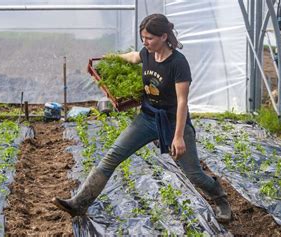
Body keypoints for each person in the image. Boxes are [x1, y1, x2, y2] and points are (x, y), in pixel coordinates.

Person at [53, 13, 232, 223]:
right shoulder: (147, 53)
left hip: (174, 122)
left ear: (164, 36)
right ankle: (79, 203)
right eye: (143, 38)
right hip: (147, 118)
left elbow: (182, 102)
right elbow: (131, 57)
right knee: (112, 156)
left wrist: (178, 137)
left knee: (194, 174)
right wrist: (104, 61)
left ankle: (221, 199)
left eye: (149, 38)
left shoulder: (178, 63)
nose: (145, 43)